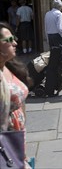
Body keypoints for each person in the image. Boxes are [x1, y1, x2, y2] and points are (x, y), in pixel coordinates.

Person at [0, 22, 33, 168]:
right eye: (8, 40)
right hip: (5, 141)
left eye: (13, 38)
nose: (15, 42)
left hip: (17, 137)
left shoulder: (8, 65)